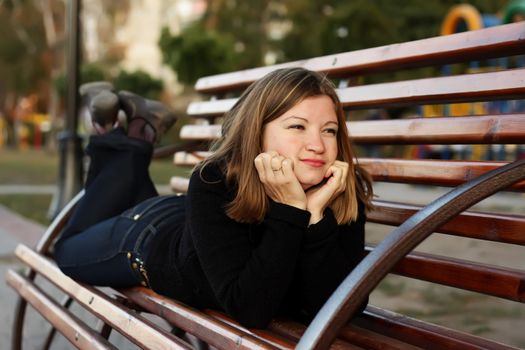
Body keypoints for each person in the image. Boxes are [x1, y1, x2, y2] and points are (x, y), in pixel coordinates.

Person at [54, 67, 374, 329]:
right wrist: (291, 209)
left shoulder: (341, 190)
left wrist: (314, 219)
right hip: (147, 237)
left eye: (329, 130)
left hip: (193, 231)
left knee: (110, 203)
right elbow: (251, 308)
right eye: (298, 127)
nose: (317, 144)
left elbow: (344, 306)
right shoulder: (216, 180)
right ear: (257, 132)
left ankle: (130, 130)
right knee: (67, 250)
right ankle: (120, 136)